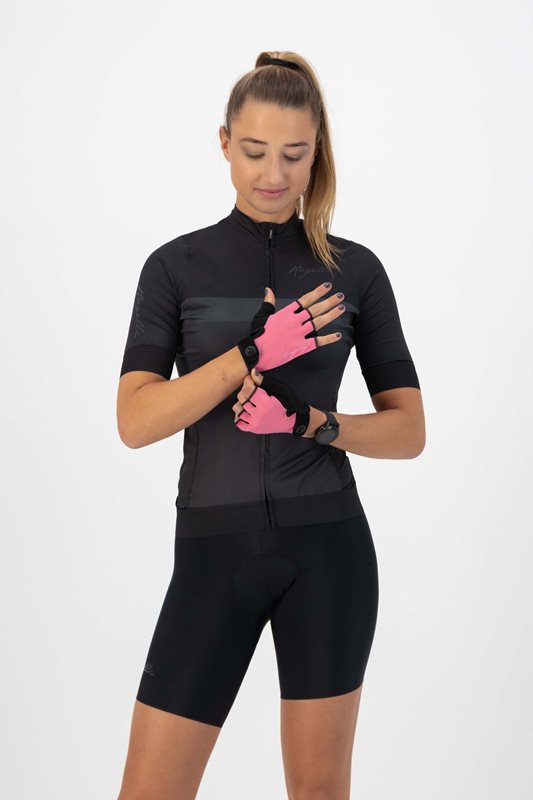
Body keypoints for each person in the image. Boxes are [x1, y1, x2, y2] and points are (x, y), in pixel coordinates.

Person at [115, 50, 425, 800]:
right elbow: (135, 420)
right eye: (254, 151)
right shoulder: (174, 267)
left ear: (316, 153)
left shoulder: (354, 271)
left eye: (294, 154)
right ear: (224, 143)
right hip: (212, 555)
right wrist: (252, 353)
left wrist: (311, 421)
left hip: (329, 552)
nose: (273, 174)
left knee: (319, 792)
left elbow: (408, 430)